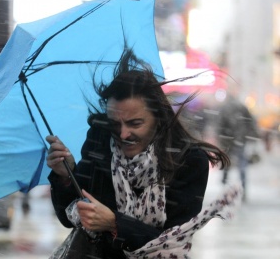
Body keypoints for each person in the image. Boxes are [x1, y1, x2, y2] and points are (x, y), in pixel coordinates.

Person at [46, 50, 237, 258]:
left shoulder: (189, 161)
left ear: (157, 117)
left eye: (134, 123)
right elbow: (68, 217)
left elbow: (173, 241)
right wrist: (65, 175)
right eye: (115, 123)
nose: (123, 133)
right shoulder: (100, 141)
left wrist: (114, 223)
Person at [217, 93, 260, 201]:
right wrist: (253, 135)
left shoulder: (225, 108)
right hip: (240, 139)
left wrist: (221, 138)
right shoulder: (242, 107)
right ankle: (243, 190)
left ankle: (225, 186)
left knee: (227, 163)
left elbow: (220, 124)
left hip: (228, 140)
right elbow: (251, 122)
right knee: (242, 166)